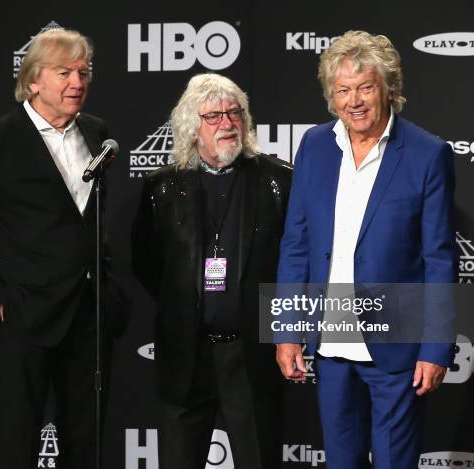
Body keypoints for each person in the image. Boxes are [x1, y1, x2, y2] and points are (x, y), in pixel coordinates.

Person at [275, 30, 458, 469]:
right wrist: (285, 329)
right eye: (343, 90)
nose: (354, 100)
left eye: (365, 87)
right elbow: (296, 243)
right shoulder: (316, 146)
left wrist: (436, 347)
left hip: (397, 349)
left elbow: (439, 256)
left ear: (388, 90)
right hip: (331, 346)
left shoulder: (427, 153)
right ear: (331, 96)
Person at [0, 28, 124, 468]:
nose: (77, 82)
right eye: (63, 73)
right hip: (28, 312)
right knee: (19, 439)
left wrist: (108, 290)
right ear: (32, 82)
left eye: (83, 72)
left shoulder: (96, 132)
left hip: (89, 312)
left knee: (87, 440)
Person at [132, 73, 292, 469]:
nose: (227, 124)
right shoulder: (162, 188)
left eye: (235, 113)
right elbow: (147, 263)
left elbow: (294, 260)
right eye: (214, 116)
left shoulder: (277, 181)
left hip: (252, 355)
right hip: (187, 355)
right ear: (192, 126)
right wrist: (187, 304)